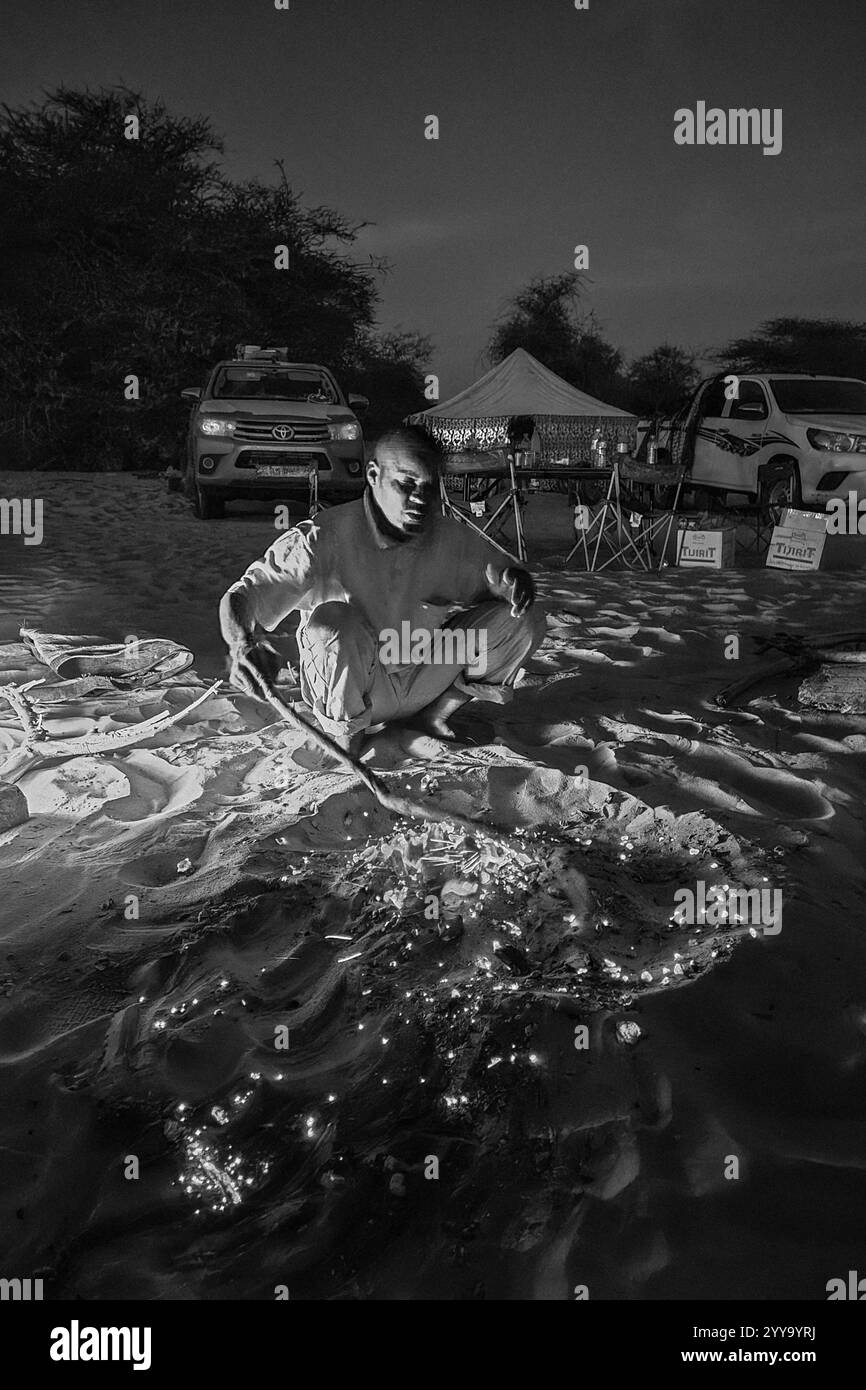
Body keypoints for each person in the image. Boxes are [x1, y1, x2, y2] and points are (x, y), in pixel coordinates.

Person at [220, 426, 544, 760]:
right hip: (352, 687)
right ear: (374, 475)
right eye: (405, 484)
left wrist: (513, 584)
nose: (419, 498)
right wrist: (243, 644)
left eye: (429, 488)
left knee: (523, 617)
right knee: (332, 621)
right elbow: (243, 596)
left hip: (422, 676)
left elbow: (502, 579)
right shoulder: (322, 537)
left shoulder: (451, 538)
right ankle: (348, 742)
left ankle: (436, 715)